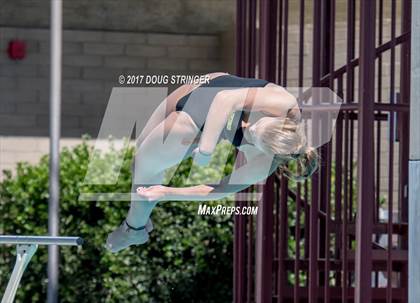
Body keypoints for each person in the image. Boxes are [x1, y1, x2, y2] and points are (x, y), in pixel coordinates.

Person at [106, 72, 319, 253]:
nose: (249, 130)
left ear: (268, 153)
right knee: (138, 160)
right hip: (207, 85)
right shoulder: (284, 104)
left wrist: (166, 193)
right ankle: (141, 218)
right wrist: (206, 151)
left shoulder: (262, 164)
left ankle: (132, 230)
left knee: (145, 166)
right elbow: (225, 99)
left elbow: (221, 188)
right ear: (277, 120)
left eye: (252, 138)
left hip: (193, 124)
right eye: (256, 126)